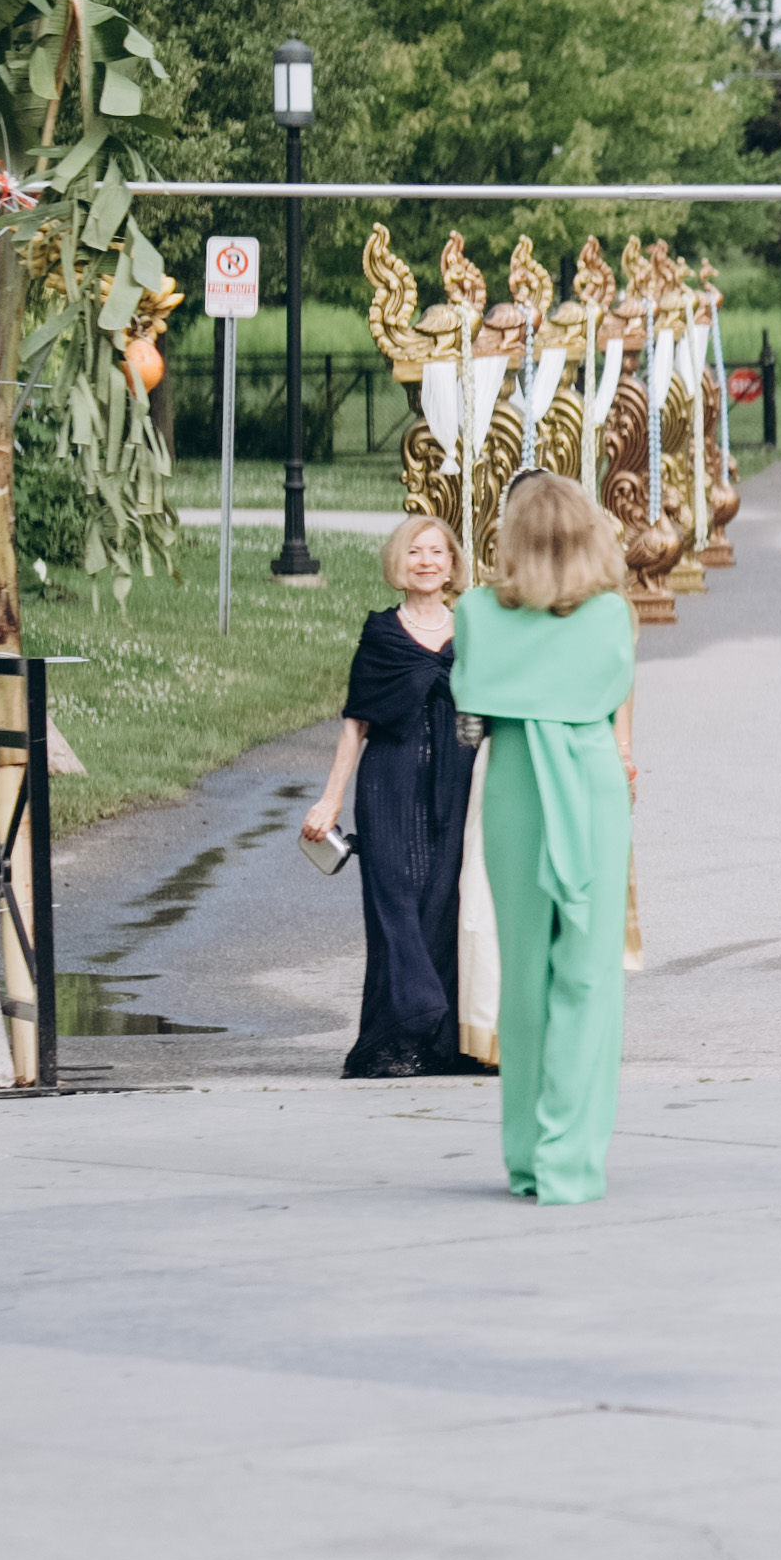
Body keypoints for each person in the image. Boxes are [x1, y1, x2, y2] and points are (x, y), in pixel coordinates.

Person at [452, 471, 639, 1203]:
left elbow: (470, 717)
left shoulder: (475, 611)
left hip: (514, 782)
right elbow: (608, 697)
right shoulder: (610, 615)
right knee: (587, 978)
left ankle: (527, 1157)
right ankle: (570, 1159)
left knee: (523, 975)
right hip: (588, 781)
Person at [293, 514, 477, 1080]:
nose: (426, 561)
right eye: (415, 551)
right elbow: (356, 723)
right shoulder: (382, 634)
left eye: (437, 552)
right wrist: (330, 800)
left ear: (452, 564)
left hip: (456, 784)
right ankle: (420, 1006)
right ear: (399, 563)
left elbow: (484, 717)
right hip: (388, 785)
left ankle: (429, 1045)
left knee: (442, 905)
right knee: (393, 902)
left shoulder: (474, 632)